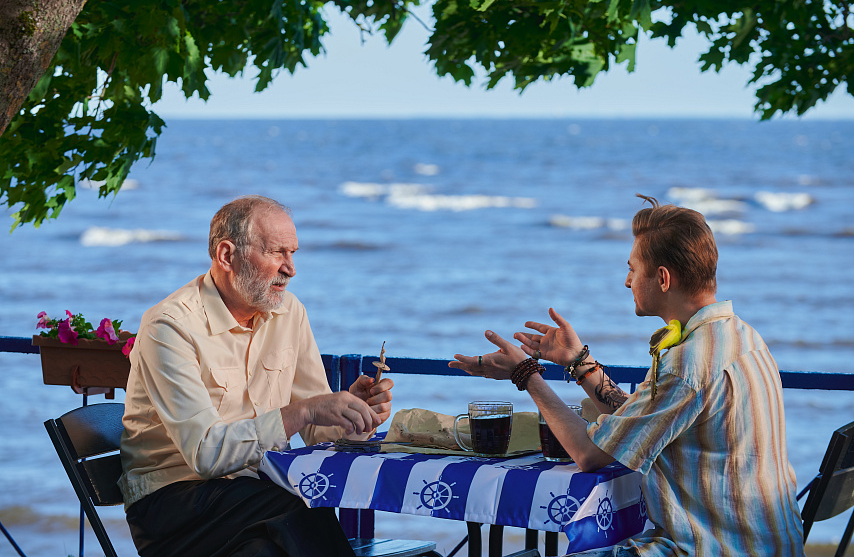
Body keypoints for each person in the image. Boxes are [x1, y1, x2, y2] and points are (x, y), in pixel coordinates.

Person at [450, 194, 805, 556]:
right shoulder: (742, 336)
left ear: (663, 278)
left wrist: (526, 374)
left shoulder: (688, 363)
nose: (626, 281)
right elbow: (637, 421)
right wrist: (578, 362)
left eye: (633, 269)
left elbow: (590, 454)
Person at [119, 195, 393, 557]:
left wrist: (353, 416)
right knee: (297, 506)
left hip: (256, 495)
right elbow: (205, 453)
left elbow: (318, 432)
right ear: (226, 255)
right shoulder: (169, 326)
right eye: (277, 252)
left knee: (265, 550)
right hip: (172, 501)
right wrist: (305, 410)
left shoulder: (290, 312)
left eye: (292, 253)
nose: (290, 268)